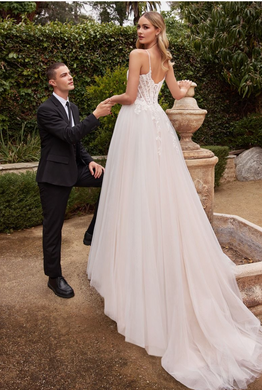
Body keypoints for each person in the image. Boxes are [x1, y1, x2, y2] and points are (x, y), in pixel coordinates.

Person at [87, 11, 262, 390]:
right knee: (159, 191)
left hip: (136, 123)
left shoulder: (137, 56)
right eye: (138, 27)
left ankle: (133, 275)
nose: (140, 32)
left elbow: (132, 97)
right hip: (157, 128)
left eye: (145, 27)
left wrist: (113, 98)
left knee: (132, 194)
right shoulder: (165, 60)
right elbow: (180, 94)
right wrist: (183, 85)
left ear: (158, 31)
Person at [36, 62, 112, 299]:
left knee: (111, 179)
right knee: (53, 229)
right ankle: (54, 277)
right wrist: (96, 115)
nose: (70, 77)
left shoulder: (74, 108)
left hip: (75, 169)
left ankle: (91, 232)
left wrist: (89, 160)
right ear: (52, 82)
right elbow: (70, 134)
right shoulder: (45, 109)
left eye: (69, 73)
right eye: (64, 74)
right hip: (53, 177)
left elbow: (76, 143)